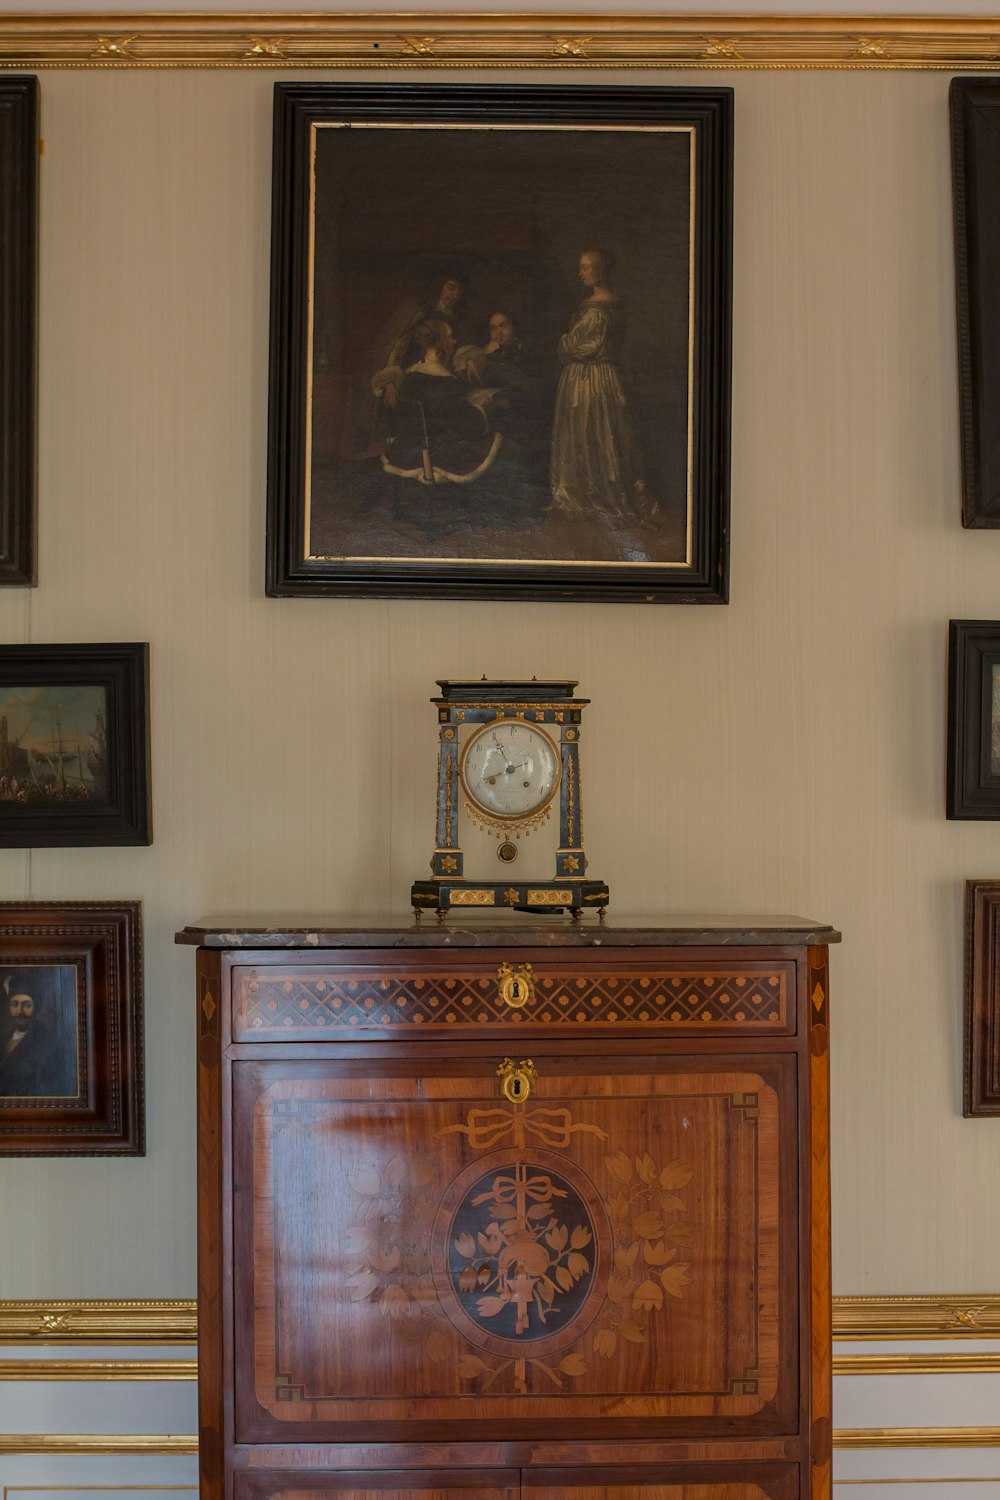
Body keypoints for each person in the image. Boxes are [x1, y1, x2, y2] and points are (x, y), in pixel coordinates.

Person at [548, 248, 656, 524]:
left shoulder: (597, 309)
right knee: (598, 435)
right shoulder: (611, 305)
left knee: (592, 434)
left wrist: (563, 342)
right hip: (606, 378)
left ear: (599, 271)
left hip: (589, 380)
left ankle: (589, 497)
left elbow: (576, 347)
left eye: (585, 267)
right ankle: (588, 494)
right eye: (580, 267)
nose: (580, 272)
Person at [380, 316, 502, 485]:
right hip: (437, 456)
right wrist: (480, 407)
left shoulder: (409, 376)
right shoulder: (447, 383)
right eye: (450, 336)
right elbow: (470, 426)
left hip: (407, 450)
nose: (454, 341)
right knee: (500, 443)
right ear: (439, 342)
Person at [0, 969, 76, 1098]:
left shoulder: (48, 1041)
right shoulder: (4, 1038)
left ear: (36, 1007)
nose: (20, 1011)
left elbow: (46, 1088)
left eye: (27, 1005)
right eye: (15, 1004)